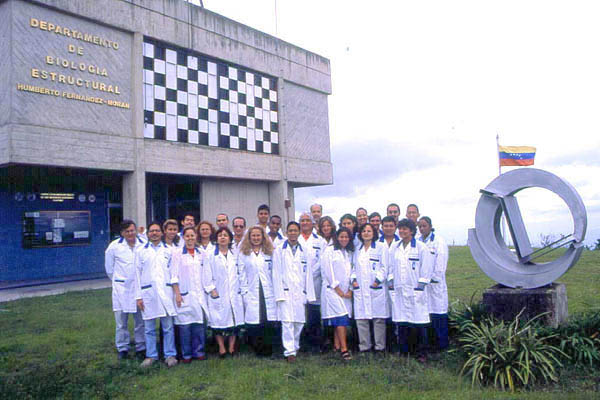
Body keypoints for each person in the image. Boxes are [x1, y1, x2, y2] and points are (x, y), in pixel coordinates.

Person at [388, 218, 434, 362]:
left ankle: (422, 353)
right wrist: (391, 281)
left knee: (419, 322)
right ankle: (404, 351)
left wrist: (419, 288)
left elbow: (426, 269)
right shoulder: (395, 247)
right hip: (400, 291)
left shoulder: (421, 247)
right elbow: (390, 267)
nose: (402, 231)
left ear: (412, 231)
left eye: (405, 229)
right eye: (400, 228)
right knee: (402, 322)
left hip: (415, 291)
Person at [134, 222, 178, 368]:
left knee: (168, 327)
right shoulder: (140, 251)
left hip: (165, 292)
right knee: (149, 327)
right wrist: (138, 296)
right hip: (148, 294)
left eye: (157, 231)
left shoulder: (169, 250)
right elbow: (137, 275)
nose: (154, 233)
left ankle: (170, 355)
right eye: (151, 231)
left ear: (162, 233)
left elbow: (173, 273)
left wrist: (175, 292)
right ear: (147, 234)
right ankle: (151, 356)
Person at [272, 221, 316, 362]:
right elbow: (276, 273)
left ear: (299, 232)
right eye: (290, 231)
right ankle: (289, 351)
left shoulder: (305, 251)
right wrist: (279, 294)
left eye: (295, 230)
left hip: (300, 292)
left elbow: (308, 274)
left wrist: (309, 294)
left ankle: (295, 347)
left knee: (299, 322)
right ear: (286, 233)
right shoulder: (279, 250)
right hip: (285, 292)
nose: (292, 233)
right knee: (287, 322)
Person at [105, 219, 147, 360]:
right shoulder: (114, 247)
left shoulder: (143, 244)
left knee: (140, 320)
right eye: (127, 231)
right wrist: (120, 281)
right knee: (121, 322)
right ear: (122, 233)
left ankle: (141, 346)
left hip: (138, 289)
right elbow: (109, 270)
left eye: (132, 230)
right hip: (121, 289)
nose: (130, 233)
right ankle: (123, 348)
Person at [203, 227, 244, 357]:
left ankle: (231, 347)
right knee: (218, 322)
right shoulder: (210, 255)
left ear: (230, 239)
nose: (222, 237)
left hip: (234, 293)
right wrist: (211, 289)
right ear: (216, 239)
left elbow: (240, 273)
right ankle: (221, 348)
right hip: (218, 293)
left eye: (225, 235)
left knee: (234, 322)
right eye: (220, 235)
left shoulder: (235, 255)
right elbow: (206, 275)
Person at [238, 226, 278, 356]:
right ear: (249, 237)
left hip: (268, 290)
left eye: (258, 235)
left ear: (263, 237)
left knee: (268, 319)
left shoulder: (269, 252)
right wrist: (244, 292)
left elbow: (275, 271)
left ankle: (269, 348)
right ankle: (257, 348)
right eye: (253, 236)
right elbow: (241, 273)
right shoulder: (244, 253)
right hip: (252, 290)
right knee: (255, 321)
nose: (256, 238)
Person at [171, 227, 208, 363]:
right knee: (185, 326)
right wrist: (178, 294)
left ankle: (199, 352)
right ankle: (186, 355)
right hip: (184, 295)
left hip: (199, 294)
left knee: (198, 325)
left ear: (196, 237)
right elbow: (173, 276)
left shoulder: (201, 253)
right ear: (183, 237)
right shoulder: (177, 254)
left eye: (192, 236)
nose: (190, 238)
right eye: (187, 236)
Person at [351, 223, 388, 354]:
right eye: (364, 231)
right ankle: (364, 347)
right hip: (360, 288)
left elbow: (385, 267)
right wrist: (353, 280)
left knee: (378, 320)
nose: (366, 233)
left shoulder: (381, 247)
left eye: (369, 231)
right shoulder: (357, 249)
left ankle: (380, 347)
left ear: (374, 233)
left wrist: (377, 281)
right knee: (361, 319)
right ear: (360, 234)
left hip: (375, 288)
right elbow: (353, 268)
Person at [321, 227, 354, 360]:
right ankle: (344, 349)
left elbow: (352, 271)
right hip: (332, 290)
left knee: (339, 319)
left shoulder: (348, 252)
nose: (344, 239)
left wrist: (350, 289)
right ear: (336, 237)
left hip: (345, 291)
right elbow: (327, 271)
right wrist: (337, 289)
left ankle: (337, 346)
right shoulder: (329, 251)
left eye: (346, 237)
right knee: (341, 318)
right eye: (341, 237)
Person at [418, 216, 449, 351]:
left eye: (424, 226)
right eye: (420, 226)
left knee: (438, 314)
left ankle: (442, 345)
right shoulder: (418, 241)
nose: (422, 228)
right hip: (423, 285)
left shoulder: (438, 242)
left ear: (430, 226)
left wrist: (433, 278)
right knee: (427, 316)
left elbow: (441, 263)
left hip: (435, 285)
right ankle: (430, 345)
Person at [298, 212, 325, 353]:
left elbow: (323, 260)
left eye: (307, 220)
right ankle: (301, 343)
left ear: (312, 223)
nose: (305, 223)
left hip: (315, 282)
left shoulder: (320, 241)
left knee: (314, 313)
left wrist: (310, 273)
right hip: (298, 282)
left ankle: (315, 344)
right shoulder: (293, 239)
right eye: (302, 220)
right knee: (300, 313)